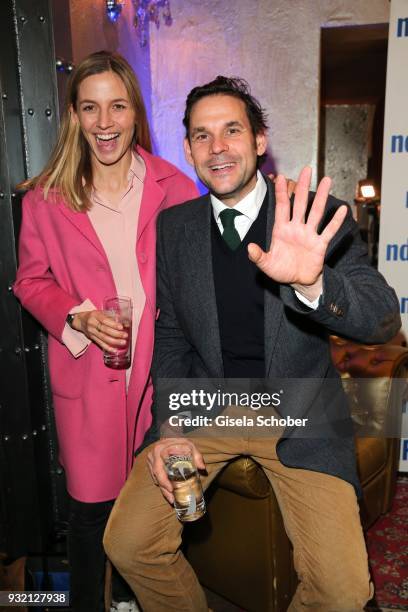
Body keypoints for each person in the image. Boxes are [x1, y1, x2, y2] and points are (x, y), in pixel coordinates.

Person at [103, 76, 401, 611]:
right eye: (201, 136)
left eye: (232, 130)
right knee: (128, 542)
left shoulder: (313, 215)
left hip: (302, 412)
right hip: (207, 407)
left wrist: (311, 282)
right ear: (189, 148)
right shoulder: (175, 229)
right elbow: (171, 336)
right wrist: (168, 427)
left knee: (344, 591)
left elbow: (383, 320)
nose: (217, 148)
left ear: (260, 140)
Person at [13, 51, 199, 612]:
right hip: (89, 381)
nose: (105, 122)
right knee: (91, 520)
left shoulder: (177, 188)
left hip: (157, 379)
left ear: (135, 113)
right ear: (73, 116)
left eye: (117, 106)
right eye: (90, 108)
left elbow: (196, 290)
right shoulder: (47, 196)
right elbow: (29, 281)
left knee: (157, 516)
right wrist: (78, 315)